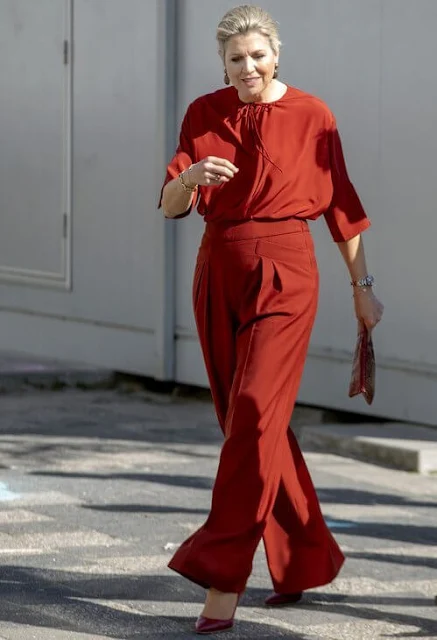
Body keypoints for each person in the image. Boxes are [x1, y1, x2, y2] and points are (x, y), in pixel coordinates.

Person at [159, 4, 384, 635]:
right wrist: (193, 176)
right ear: (223, 62)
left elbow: (342, 205)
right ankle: (305, 556)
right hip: (219, 266)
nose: (247, 67)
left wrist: (361, 288)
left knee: (256, 411)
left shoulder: (313, 114)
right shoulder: (205, 112)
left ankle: (221, 577)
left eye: (257, 55)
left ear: (276, 55)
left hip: (287, 267)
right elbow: (170, 201)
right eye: (236, 59)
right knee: (248, 421)